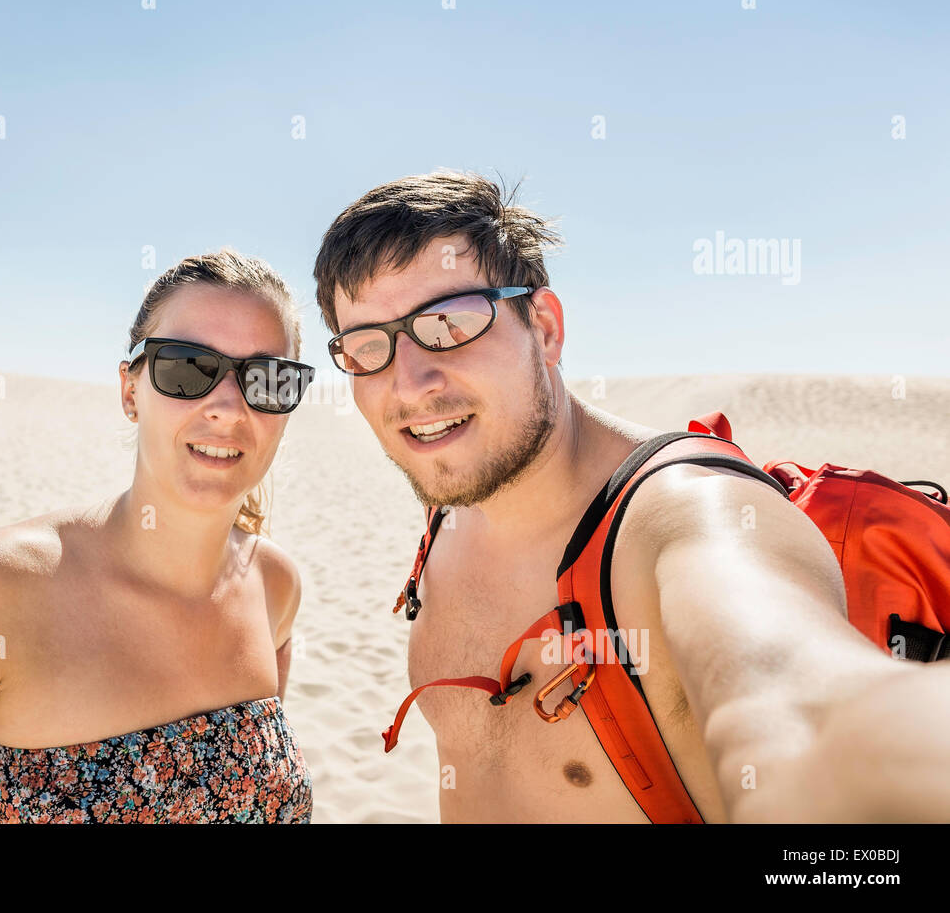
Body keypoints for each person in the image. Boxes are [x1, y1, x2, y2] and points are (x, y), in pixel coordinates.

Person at [313, 169, 950, 822]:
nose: (410, 382)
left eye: (450, 323)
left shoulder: (686, 514)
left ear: (545, 327)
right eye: (367, 347)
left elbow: (795, 703)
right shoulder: (452, 498)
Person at [0, 248, 317, 823]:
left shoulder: (275, 587)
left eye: (267, 380)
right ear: (131, 391)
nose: (227, 406)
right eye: (185, 368)